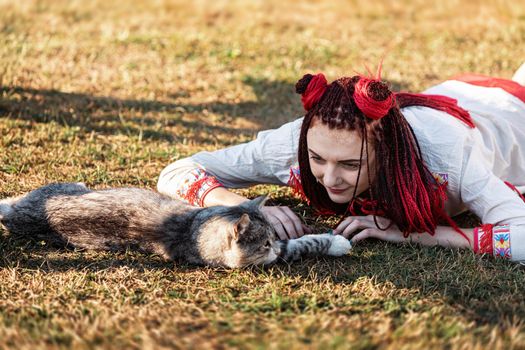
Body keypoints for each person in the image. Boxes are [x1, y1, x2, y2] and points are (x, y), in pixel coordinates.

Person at [157, 62, 525, 262]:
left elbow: (520, 238)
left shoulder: (446, 154)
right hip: (456, 93)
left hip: (510, 115)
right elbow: (178, 171)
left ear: (385, 148)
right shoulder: (294, 142)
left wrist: (409, 234)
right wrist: (244, 207)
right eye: (318, 159)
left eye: (350, 164)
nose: (329, 178)